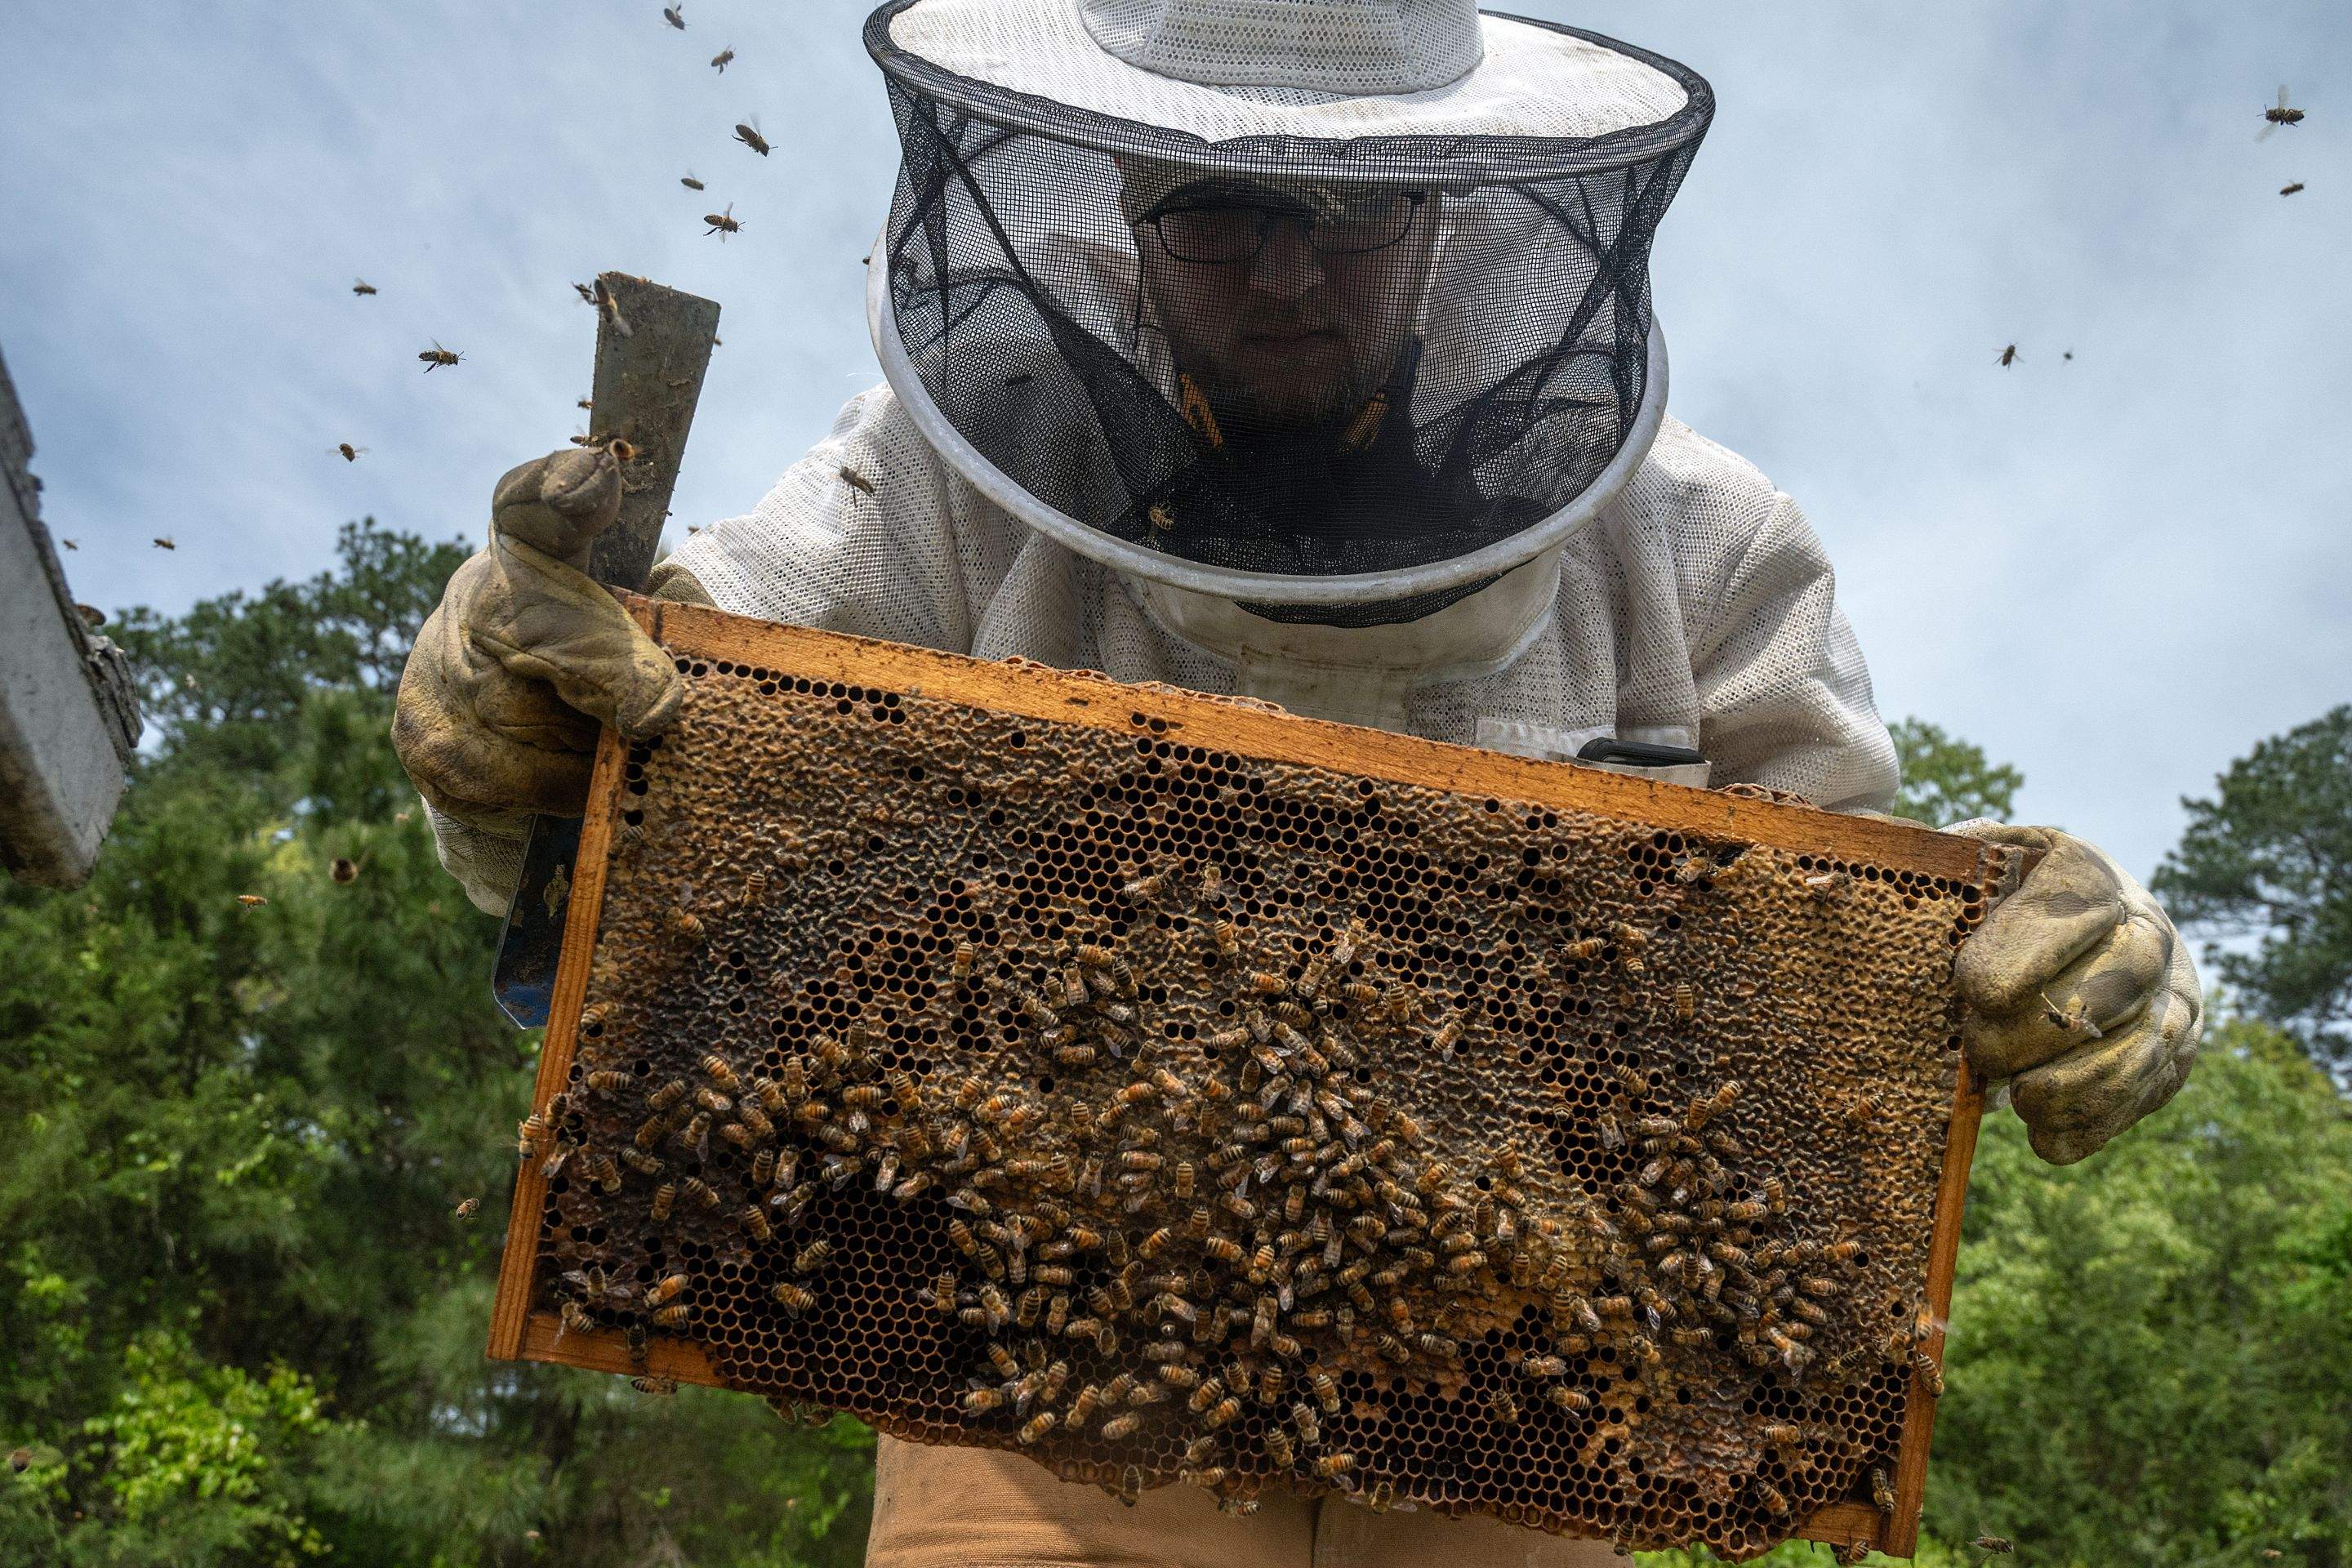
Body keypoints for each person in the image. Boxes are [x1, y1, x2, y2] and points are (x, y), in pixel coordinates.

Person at [393, 2, 2203, 1563]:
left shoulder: (1701, 546)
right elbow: (642, 770)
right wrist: (505, 736)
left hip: (1531, 1451)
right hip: (1036, 1443)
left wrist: (2066, 973)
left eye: (1352, 212)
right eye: (1220, 211)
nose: (1284, 271)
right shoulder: (936, 483)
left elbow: (1857, 981)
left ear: (1458, 210)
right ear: (1115, 195)